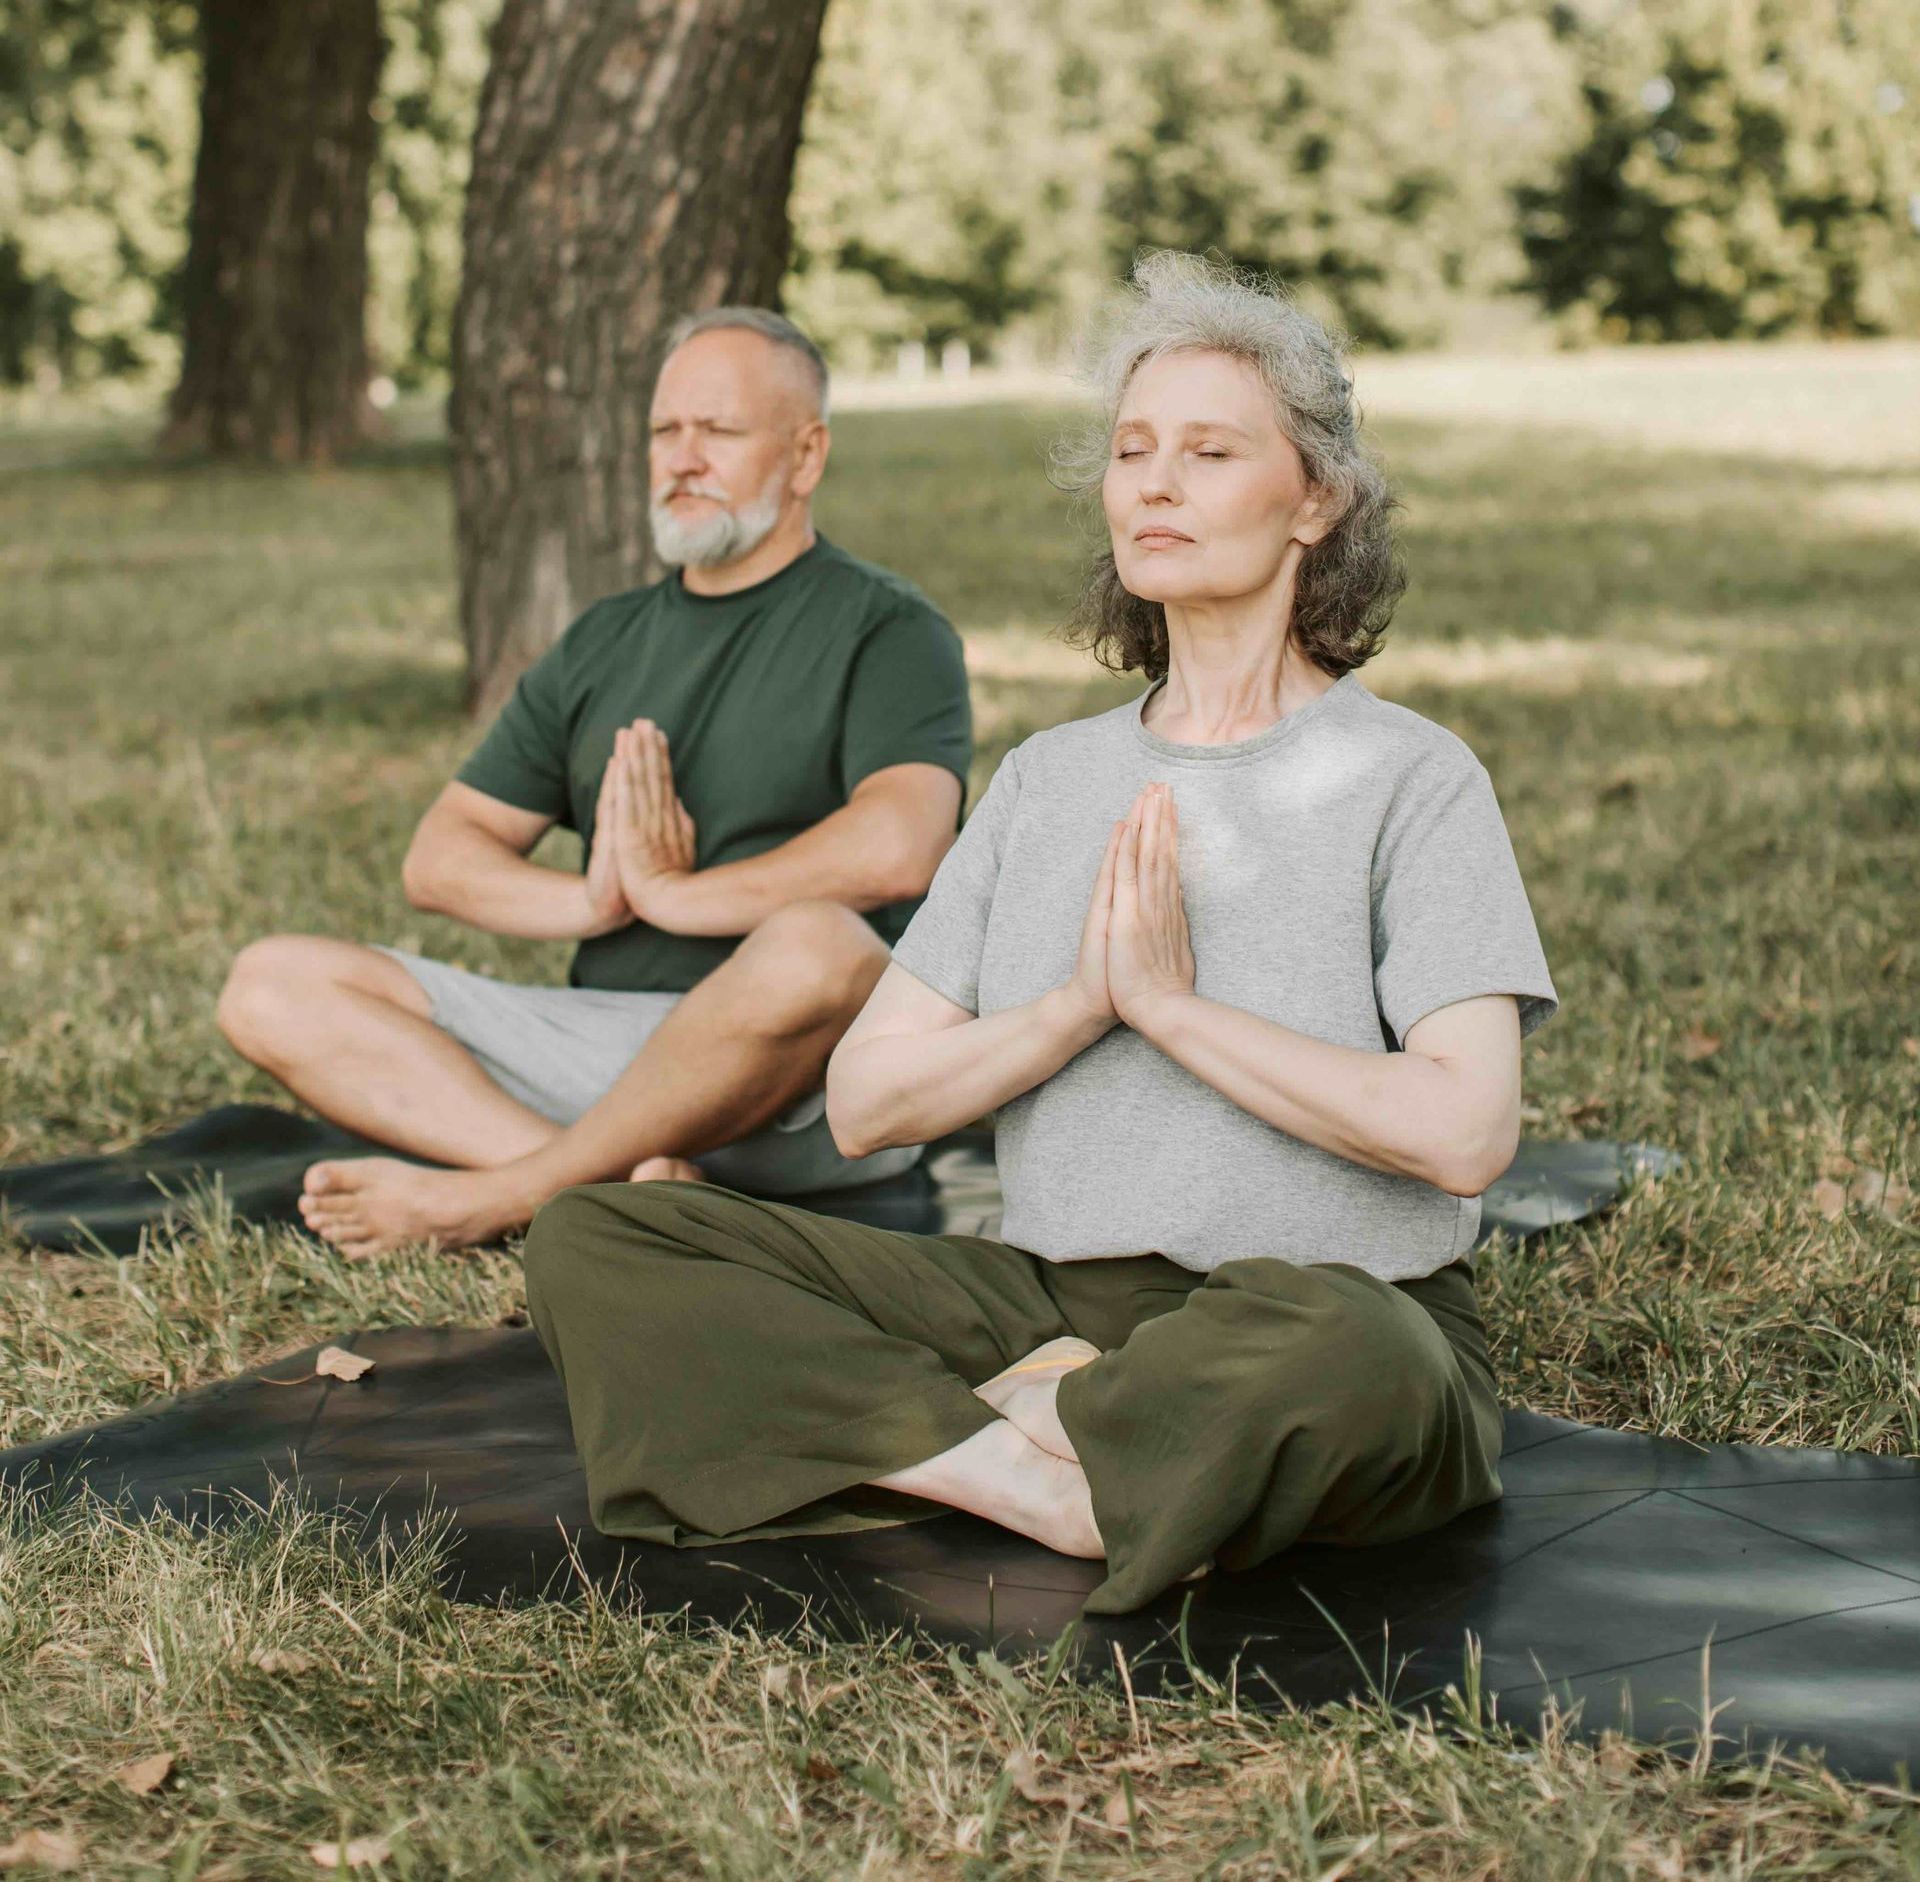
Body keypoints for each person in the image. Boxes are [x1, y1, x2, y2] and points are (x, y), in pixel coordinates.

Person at [520, 252, 1559, 1613]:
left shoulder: (1412, 779)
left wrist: (1174, 1009)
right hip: (1049, 1306)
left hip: (1326, 1310)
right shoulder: (1048, 783)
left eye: (1207, 450)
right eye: (1133, 451)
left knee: (1364, 1356)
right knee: (601, 1238)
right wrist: (1079, 1004)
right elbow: (865, 1100)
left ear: (1316, 499)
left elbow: (1465, 1131)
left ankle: (979, 1426)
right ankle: (1029, 1470)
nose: (1155, 483)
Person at [215, 307, 972, 1259]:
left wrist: (678, 897)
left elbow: (902, 847)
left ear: (806, 455)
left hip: (812, 1084)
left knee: (823, 946)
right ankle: (619, 1194)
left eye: (720, 432)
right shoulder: (603, 641)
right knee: (270, 983)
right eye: (665, 431)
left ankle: (497, 1199)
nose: (682, 458)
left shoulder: (889, 629)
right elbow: (441, 860)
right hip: (613, 1063)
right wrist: (595, 898)